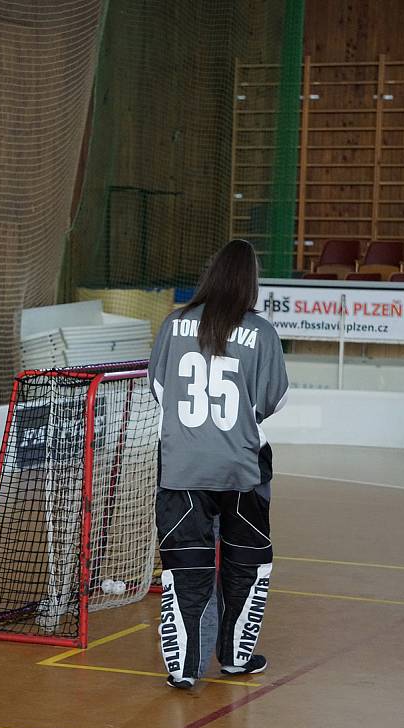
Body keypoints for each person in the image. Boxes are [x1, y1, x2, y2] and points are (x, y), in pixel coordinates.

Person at [148, 239, 288, 689]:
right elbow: (273, 400)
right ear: (251, 282)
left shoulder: (174, 325)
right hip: (242, 467)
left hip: (182, 467)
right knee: (246, 564)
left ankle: (184, 670)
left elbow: (158, 390)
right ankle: (234, 658)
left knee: (186, 569)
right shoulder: (261, 332)